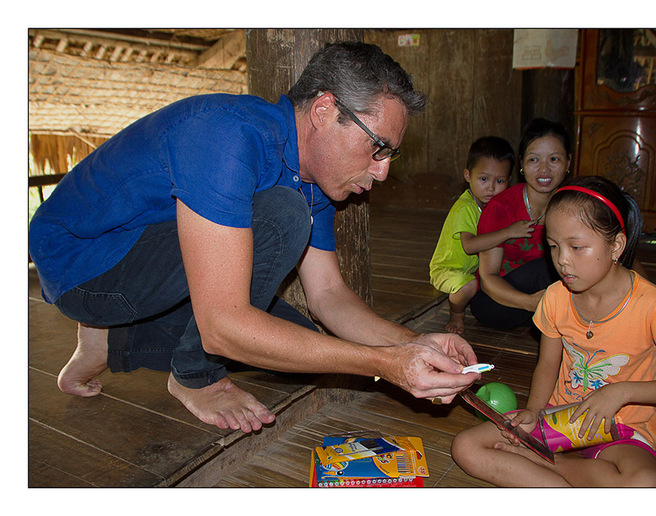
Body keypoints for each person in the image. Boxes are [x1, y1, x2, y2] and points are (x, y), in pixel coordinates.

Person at [28, 42, 480, 434]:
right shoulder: (226, 135)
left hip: (141, 258)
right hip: (82, 266)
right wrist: (384, 365)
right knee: (281, 223)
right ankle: (194, 376)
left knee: (299, 339)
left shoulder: (313, 179)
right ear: (324, 111)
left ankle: (110, 342)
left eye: (391, 155)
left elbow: (328, 296)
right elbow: (224, 329)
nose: (382, 172)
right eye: (377, 147)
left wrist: (410, 345)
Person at [450, 176, 656, 487]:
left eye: (576, 247)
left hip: (621, 426)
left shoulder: (653, 305)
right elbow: (548, 364)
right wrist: (534, 410)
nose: (562, 260)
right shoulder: (555, 297)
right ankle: (566, 482)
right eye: (553, 246)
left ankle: (553, 467)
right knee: (466, 447)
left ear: (616, 245)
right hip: (563, 418)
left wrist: (620, 392)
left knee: (647, 486)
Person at [469, 118, 570, 330]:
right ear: (522, 164)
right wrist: (531, 303)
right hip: (500, 302)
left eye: (554, 159)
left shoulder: (574, 206)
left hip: (555, 298)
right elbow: (488, 278)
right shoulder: (501, 207)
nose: (544, 169)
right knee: (547, 267)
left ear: (568, 163)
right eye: (534, 160)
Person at [429, 137, 536, 334]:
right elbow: (470, 246)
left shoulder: (493, 206)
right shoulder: (465, 207)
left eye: (500, 180)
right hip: (447, 269)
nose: (491, 187)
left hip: (471, 270)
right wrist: (509, 232)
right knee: (469, 286)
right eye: (484, 179)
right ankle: (456, 313)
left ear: (509, 180)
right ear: (468, 175)